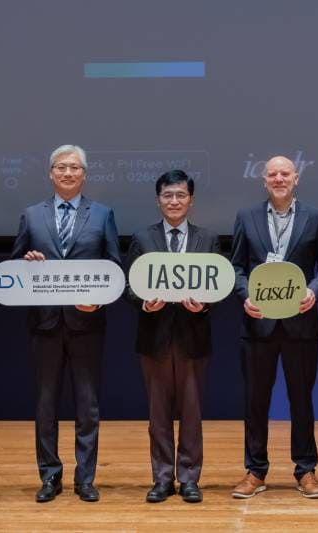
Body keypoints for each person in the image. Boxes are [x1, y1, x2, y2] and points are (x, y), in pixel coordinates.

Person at [11, 144, 121, 503]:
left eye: (74, 167)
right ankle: (49, 476)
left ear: (84, 174)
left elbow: (115, 269)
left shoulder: (103, 215)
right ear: (50, 173)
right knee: (46, 404)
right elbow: (14, 269)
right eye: (61, 167)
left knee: (87, 405)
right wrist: (27, 262)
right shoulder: (31, 215)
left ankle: (85, 478)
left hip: (87, 323)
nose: (68, 173)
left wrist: (100, 298)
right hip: (44, 323)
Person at [229, 155, 318, 499]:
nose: (278, 179)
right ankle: (255, 471)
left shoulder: (315, 216)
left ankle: (306, 470)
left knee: (301, 399)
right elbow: (237, 268)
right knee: (255, 402)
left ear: (296, 178)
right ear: (263, 181)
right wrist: (245, 295)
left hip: (301, 324)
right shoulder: (246, 216)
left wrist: (314, 291)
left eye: (284, 173)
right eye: (272, 174)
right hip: (257, 324)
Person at [124, 169, 221, 504]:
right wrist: (144, 304)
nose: (174, 201)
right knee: (158, 415)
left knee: (192, 413)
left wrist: (204, 305)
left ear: (190, 200)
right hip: (155, 337)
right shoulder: (142, 238)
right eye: (168, 195)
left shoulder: (208, 239)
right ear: (158, 200)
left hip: (194, 337)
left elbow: (218, 287)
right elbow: (128, 286)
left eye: (181, 195)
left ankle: (190, 478)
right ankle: (162, 478)